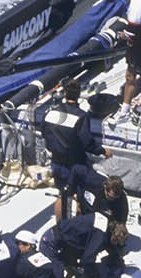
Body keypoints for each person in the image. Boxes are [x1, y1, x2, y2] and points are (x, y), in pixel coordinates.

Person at [30, 77, 106, 223]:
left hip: (56, 162)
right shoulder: (82, 116)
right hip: (75, 165)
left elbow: (44, 133)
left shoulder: (51, 112)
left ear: (65, 94)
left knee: (62, 194)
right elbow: (87, 143)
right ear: (78, 94)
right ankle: (77, 226)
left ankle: (60, 227)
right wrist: (102, 151)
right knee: (79, 195)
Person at [42, 212, 121, 278]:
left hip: (66, 237)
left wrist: (116, 257)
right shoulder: (100, 236)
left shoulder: (102, 221)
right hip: (53, 243)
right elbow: (86, 260)